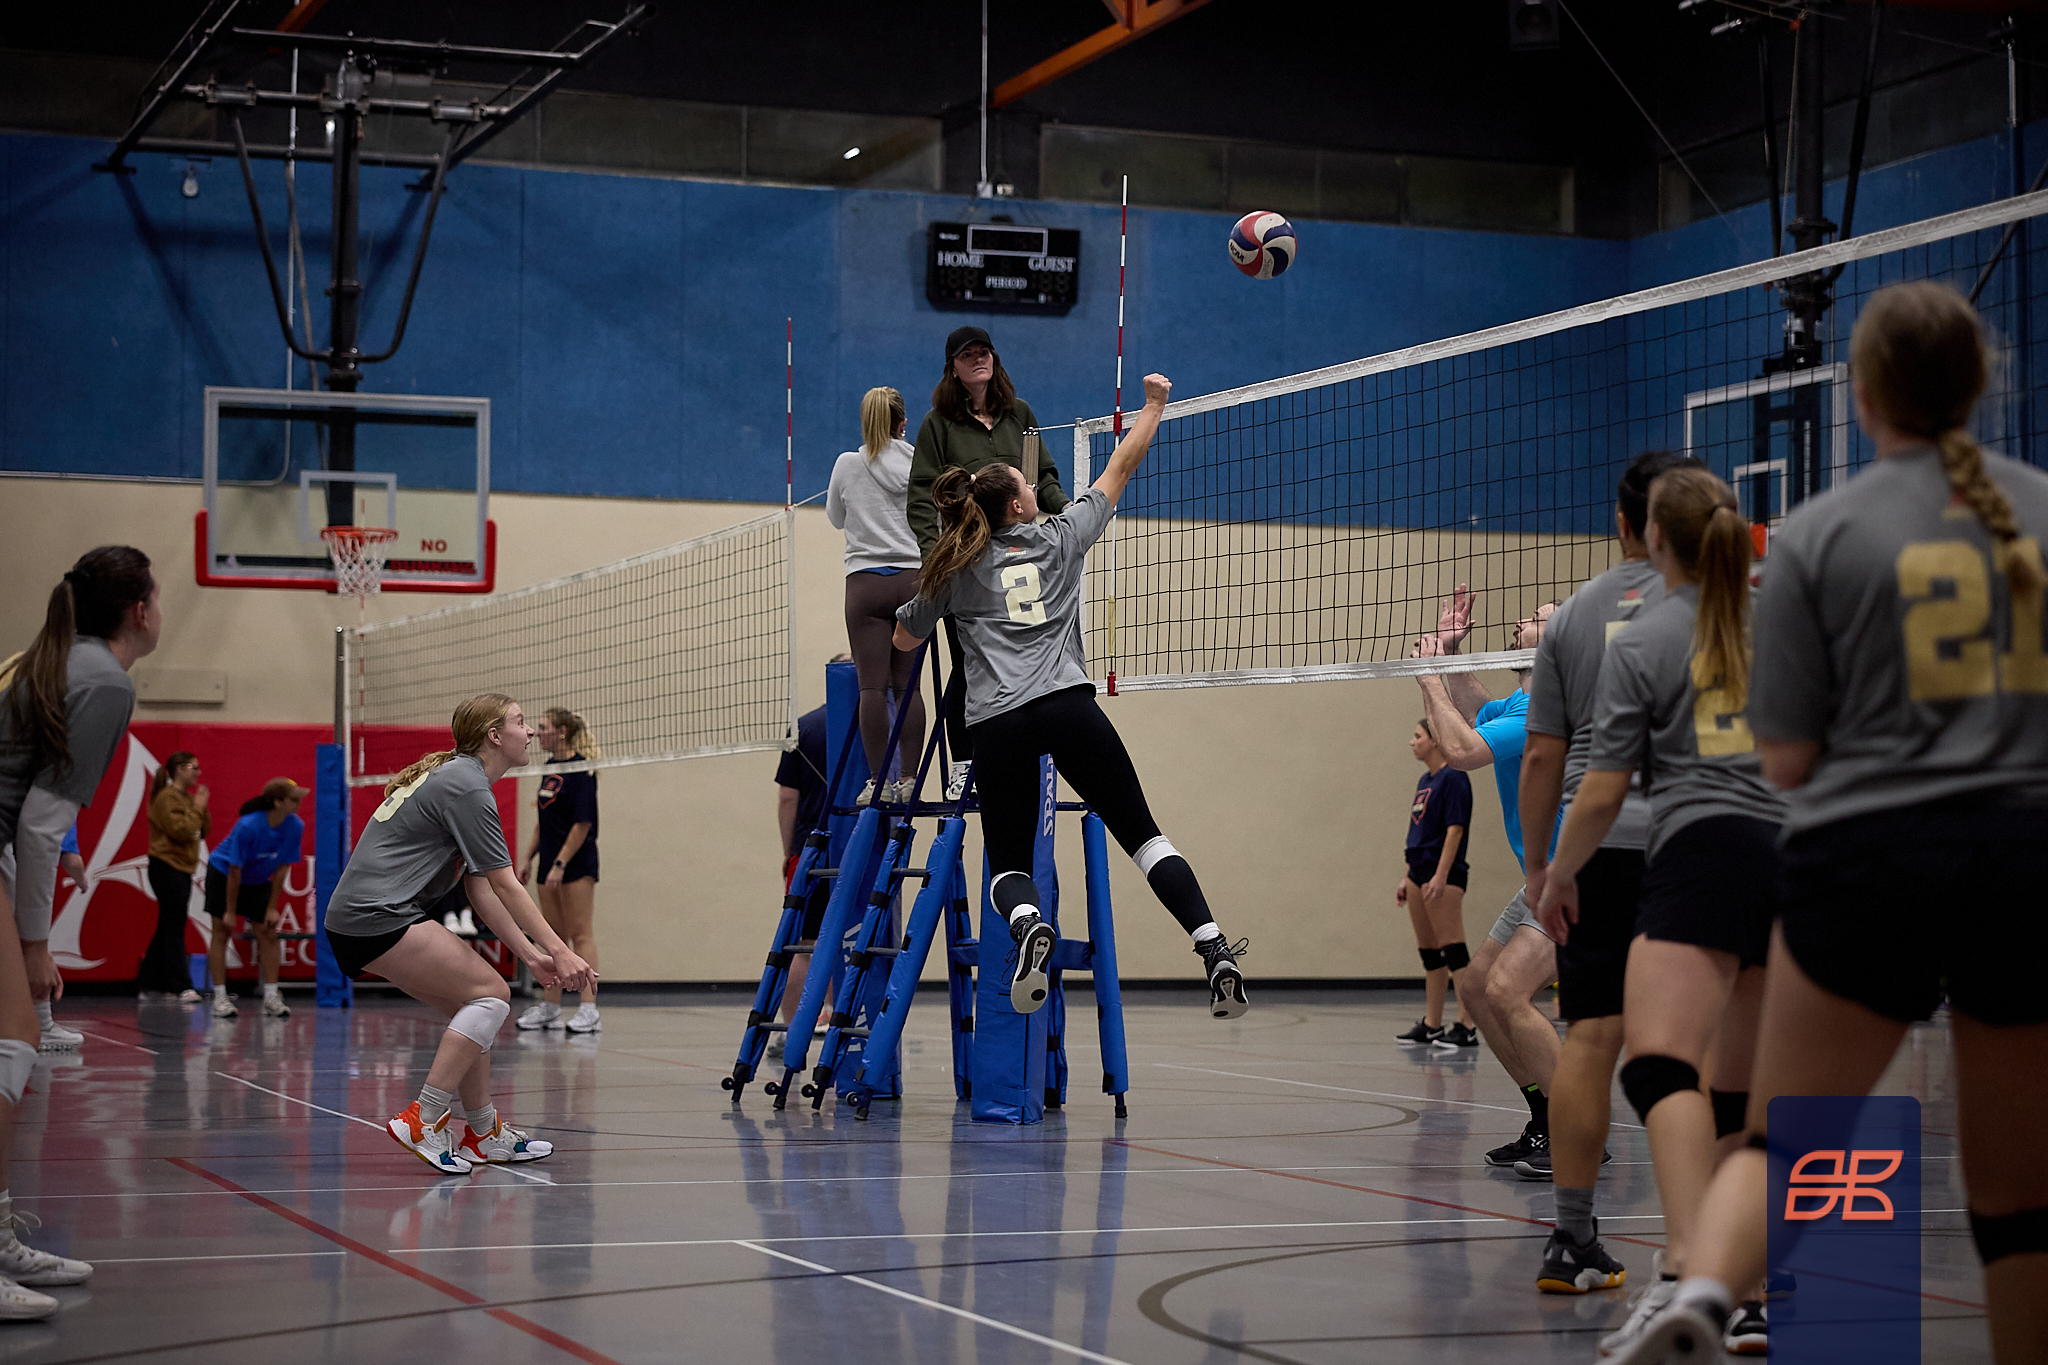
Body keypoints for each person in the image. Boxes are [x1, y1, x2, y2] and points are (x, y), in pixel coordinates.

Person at [1612, 283, 2048, 1365]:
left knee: (1781, 1137)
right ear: (1979, 385)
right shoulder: (2041, 512)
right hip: (2025, 857)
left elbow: (1787, 761)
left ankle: (1702, 1296)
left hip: (1870, 855)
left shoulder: (1812, 535)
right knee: (2017, 1200)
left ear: (1862, 395)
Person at [895, 372, 1250, 1020]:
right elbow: (1121, 464)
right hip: (1068, 706)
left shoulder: (957, 567)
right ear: (1020, 507)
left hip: (997, 722)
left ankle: (1029, 924)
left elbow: (903, 635)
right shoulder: (1062, 537)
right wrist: (1154, 405)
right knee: (1143, 837)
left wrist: (938, 600)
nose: (1035, 489)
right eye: (1027, 484)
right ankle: (1213, 946)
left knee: (1007, 864)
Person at [1536, 465, 1781, 1356]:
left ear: (1647, 536)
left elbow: (1597, 787)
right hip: (1790, 852)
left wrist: (1555, 873)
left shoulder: (1640, 634)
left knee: (1654, 1060)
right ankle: (1747, 1294)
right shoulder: (1784, 618)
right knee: (1742, 1086)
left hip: (1695, 854)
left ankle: (1683, 1269)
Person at [1515, 450, 1698, 1300]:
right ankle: (1723, 1256)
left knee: (1591, 1035)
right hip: (1704, 837)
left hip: (1600, 845)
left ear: (1624, 523)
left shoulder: (1578, 613)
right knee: (1709, 1047)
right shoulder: (1729, 602)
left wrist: (1540, 865)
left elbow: (1543, 756)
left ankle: (1573, 1236)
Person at [324, 693, 594, 1175]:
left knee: (473, 1009)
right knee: (491, 994)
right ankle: (423, 1118)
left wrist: (530, 956)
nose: (531, 731)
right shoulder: (467, 785)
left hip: (362, 918)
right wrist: (559, 950)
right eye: (520, 722)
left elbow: (481, 887)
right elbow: (507, 884)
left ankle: (484, 1133)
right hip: (378, 915)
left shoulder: (460, 778)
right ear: (494, 736)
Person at [0, 545, 161, 1318]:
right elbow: (41, 827)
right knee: (15, 1038)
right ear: (140, 609)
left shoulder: (53, 657)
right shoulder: (103, 678)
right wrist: (37, 945)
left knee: (14, 1037)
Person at [907, 326, 1071, 797]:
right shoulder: (937, 424)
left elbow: (1040, 478)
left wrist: (1070, 511)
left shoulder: (1022, 415)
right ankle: (964, 763)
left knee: (1029, 653)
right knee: (967, 663)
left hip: (1022, 561)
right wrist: (935, 560)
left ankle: (1028, 760)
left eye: (984, 352)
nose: (978, 359)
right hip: (969, 561)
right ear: (953, 368)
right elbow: (921, 497)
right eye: (968, 355)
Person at [1411, 594, 1558, 1061]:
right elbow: (1476, 715)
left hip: (1576, 878)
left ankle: (1564, 1107)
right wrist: (1451, 656)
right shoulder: (1520, 704)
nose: (1519, 621)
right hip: (1542, 880)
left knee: (1507, 992)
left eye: (1534, 618)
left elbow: (1462, 751)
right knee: (1475, 988)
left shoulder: (1546, 709)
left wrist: (1429, 678)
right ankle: (1540, 1101)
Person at [828, 386, 926, 805]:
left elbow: (835, 518)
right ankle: (909, 779)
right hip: (913, 581)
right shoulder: (921, 462)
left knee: (872, 688)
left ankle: (878, 782)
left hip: (866, 584)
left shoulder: (847, 463)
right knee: (909, 689)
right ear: (903, 423)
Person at [517, 708, 602, 1033]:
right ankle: (551, 1007)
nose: (537, 733)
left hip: (575, 864)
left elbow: (582, 825)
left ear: (562, 731)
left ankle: (589, 1010)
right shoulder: (551, 768)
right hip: (549, 864)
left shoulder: (582, 770)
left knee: (581, 934)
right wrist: (528, 858)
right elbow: (543, 821)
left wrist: (560, 864)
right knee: (552, 937)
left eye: (543, 727)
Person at [1392, 718, 1475, 1047]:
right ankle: (1433, 1024)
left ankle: (1467, 1025)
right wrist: (1407, 877)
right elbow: (1420, 832)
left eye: (1418, 736)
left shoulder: (1454, 777)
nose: (1412, 742)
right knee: (1429, 952)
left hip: (1443, 873)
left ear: (1436, 740)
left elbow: (1455, 830)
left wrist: (1441, 875)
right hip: (1418, 871)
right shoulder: (1426, 780)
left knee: (1453, 948)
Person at [203, 778, 306, 1020]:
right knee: (221, 931)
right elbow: (235, 870)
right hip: (224, 874)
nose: (299, 803)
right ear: (277, 802)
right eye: (293, 799)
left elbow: (282, 868)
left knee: (268, 932)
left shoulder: (295, 826)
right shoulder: (248, 826)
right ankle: (220, 998)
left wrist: (271, 907)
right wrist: (230, 911)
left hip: (257, 880)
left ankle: (271, 996)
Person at [142, 750, 208, 1003]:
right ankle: (180, 985)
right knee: (174, 925)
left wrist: (199, 809)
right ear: (179, 769)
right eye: (194, 767)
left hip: (182, 867)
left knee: (168, 924)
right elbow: (182, 830)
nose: (198, 773)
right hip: (166, 866)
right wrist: (197, 810)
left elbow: (202, 830)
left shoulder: (187, 799)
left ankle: (149, 981)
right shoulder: (166, 797)